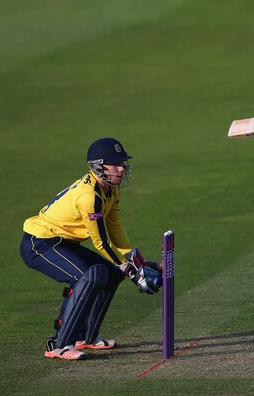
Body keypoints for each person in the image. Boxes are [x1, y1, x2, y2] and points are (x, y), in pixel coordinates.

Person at [20, 137, 163, 361]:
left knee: (112, 272)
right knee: (91, 275)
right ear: (98, 166)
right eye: (115, 164)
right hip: (40, 243)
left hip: (63, 242)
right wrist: (134, 274)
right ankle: (59, 344)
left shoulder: (111, 190)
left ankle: (86, 337)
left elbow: (114, 227)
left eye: (122, 163)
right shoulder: (89, 197)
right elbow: (101, 242)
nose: (121, 168)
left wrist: (136, 262)